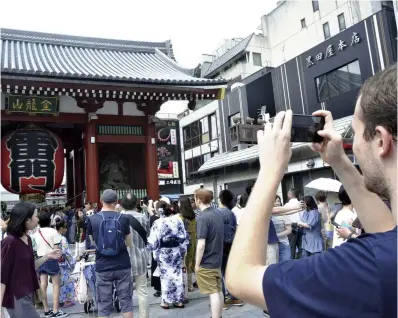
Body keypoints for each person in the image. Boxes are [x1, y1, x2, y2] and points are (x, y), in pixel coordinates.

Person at [226, 64, 397, 317]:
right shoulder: (386, 255)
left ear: (381, 141)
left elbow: (240, 278)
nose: (354, 145)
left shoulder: (368, 264)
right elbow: (384, 232)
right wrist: (339, 161)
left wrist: (270, 171)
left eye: (356, 133)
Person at [1, 202, 62, 318]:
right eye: (35, 215)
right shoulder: (9, 242)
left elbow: (29, 266)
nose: (38, 219)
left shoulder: (27, 239)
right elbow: (2, 275)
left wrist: (47, 256)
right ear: (26, 220)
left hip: (28, 293)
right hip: (16, 296)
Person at [86, 189, 133, 318]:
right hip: (123, 264)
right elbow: (129, 243)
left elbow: (93, 242)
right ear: (116, 202)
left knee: (104, 305)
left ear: (101, 201)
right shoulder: (123, 218)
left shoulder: (92, 219)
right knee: (126, 302)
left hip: (103, 266)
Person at [147, 202, 188, 309]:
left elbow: (153, 242)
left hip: (163, 252)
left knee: (165, 277)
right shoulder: (178, 220)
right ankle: (178, 300)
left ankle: (165, 301)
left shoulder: (157, 223)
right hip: (176, 251)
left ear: (158, 210)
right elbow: (183, 238)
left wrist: (153, 252)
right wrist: (183, 251)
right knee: (176, 276)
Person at [194, 188, 224, 318]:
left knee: (213, 293)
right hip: (217, 258)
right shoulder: (217, 213)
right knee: (218, 290)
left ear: (199, 200)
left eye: (195, 198)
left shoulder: (203, 217)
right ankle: (219, 315)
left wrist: (196, 264)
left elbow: (201, 244)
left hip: (207, 260)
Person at [120, 193, 150, 318]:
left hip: (124, 260)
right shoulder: (144, 217)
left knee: (125, 293)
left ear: (122, 204)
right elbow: (147, 235)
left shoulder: (119, 218)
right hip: (141, 258)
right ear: (136, 203)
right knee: (142, 292)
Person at [32, 212, 65, 317]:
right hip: (52, 259)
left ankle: (46, 309)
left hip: (40, 259)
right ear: (50, 221)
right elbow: (57, 249)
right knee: (56, 285)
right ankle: (56, 310)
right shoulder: (53, 232)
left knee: (43, 285)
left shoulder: (35, 233)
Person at [217, 190, 243, 309]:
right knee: (229, 272)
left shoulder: (217, 213)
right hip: (231, 245)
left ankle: (222, 301)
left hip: (219, 245)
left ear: (220, 199)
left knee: (219, 273)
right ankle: (235, 297)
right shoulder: (231, 213)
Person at [178, 196, 197, 292]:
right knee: (191, 262)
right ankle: (192, 284)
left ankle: (187, 285)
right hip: (193, 241)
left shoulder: (180, 217)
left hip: (184, 243)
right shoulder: (193, 215)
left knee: (184, 264)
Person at [55, 220, 76, 309]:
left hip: (55, 263)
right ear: (61, 229)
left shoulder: (53, 237)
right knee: (66, 283)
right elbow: (66, 253)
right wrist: (72, 262)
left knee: (57, 283)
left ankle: (59, 301)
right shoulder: (62, 239)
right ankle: (65, 301)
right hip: (63, 264)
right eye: (65, 228)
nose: (66, 230)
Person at [271, 195, 292, 262]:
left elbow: (289, 230)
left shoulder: (284, 214)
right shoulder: (268, 214)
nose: (277, 203)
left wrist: (276, 236)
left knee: (285, 265)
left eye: (278, 201)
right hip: (271, 245)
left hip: (283, 243)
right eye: (275, 201)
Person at [149, 202, 161, 298]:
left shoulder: (155, 220)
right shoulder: (175, 220)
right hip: (172, 252)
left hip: (157, 250)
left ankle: (158, 289)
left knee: (157, 269)